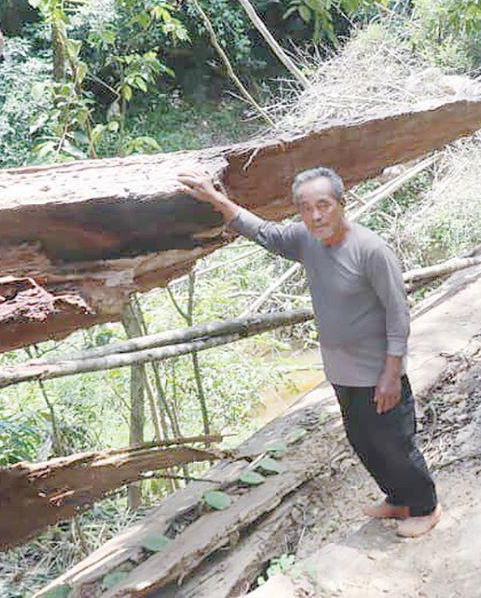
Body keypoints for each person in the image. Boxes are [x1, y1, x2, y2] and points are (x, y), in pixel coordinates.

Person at [177, 166, 440, 538]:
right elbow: (264, 232)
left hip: (377, 372)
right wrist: (216, 199)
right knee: (363, 441)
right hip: (340, 371)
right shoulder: (306, 240)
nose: (316, 215)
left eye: (324, 205)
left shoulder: (371, 251)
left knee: (395, 443)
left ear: (341, 204)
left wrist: (391, 374)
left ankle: (426, 506)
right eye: (306, 208)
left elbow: (398, 315)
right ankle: (399, 498)